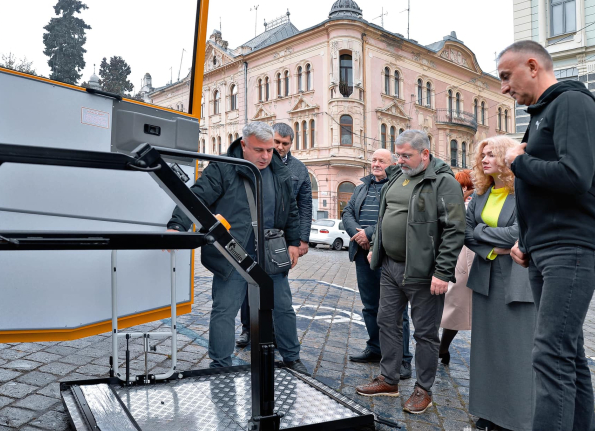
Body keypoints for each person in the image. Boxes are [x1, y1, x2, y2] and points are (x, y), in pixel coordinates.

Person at [498, 40, 595, 431]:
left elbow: (575, 176)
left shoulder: (573, 104)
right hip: (548, 247)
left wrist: (517, 160)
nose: (505, 89)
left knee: (550, 355)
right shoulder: (544, 114)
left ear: (533, 65)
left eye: (506, 77)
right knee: (568, 356)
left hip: (574, 246)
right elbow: (543, 192)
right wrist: (527, 240)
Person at [166, 121, 308, 375]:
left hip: (271, 253)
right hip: (233, 251)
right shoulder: (223, 167)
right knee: (225, 310)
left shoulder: (280, 171)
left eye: (270, 150)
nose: (266, 156)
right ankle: (220, 365)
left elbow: (291, 210)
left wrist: (294, 243)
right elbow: (197, 197)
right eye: (258, 150)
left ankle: (291, 357)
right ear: (243, 145)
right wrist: (177, 226)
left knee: (283, 308)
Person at [355, 130, 465, 414]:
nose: (400, 160)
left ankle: (423, 390)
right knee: (387, 322)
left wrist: (443, 271)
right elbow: (384, 216)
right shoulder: (397, 176)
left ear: (425, 154)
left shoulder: (444, 182)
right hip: (390, 266)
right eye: (398, 154)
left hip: (425, 272)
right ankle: (389, 379)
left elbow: (454, 230)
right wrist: (377, 247)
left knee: (425, 334)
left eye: (406, 155)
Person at [464, 137, 535, 431]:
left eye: (492, 154)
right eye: (482, 156)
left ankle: (518, 421)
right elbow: (466, 232)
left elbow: (521, 231)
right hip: (486, 277)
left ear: (507, 157)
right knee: (487, 351)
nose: (485, 160)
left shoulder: (524, 191)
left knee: (517, 353)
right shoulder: (480, 194)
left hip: (518, 282)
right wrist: (492, 245)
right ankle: (489, 412)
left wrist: (484, 233)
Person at [236, 123, 312, 348]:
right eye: (276, 142)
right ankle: (248, 330)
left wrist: (301, 240)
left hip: (279, 240)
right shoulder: (258, 163)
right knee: (248, 285)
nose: (279, 147)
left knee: (279, 291)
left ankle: (278, 333)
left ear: (291, 144)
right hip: (252, 235)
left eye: (284, 144)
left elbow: (303, 205)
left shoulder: (299, 169)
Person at [342, 149, 413, 379]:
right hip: (362, 255)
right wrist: (357, 234)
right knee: (370, 305)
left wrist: (370, 234)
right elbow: (347, 212)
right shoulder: (362, 186)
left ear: (392, 164)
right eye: (373, 160)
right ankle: (376, 348)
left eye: (381, 161)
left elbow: (396, 216)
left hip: (389, 253)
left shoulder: (399, 186)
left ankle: (402, 359)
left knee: (396, 310)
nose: (376, 164)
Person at [438, 170, 475, 366]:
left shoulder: (478, 199)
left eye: (466, 185)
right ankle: (442, 347)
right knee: (454, 304)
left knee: (465, 305)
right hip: (458, 254)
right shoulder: (456, 199)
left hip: (476, 254)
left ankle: (443, 348)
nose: (465, 189)